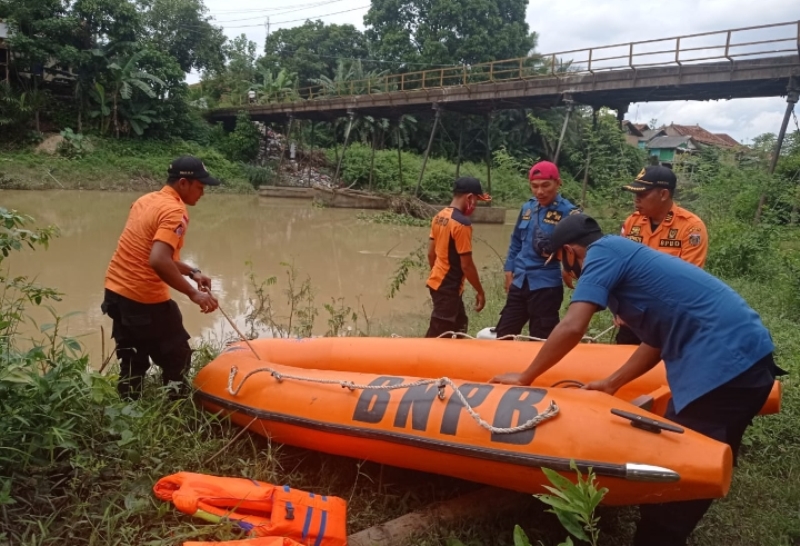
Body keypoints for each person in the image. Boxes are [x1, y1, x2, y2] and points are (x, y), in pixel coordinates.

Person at [490, 213, 786, 546]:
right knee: (704, 465)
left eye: (559, 260)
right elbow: (656, 341)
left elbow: (574, 326)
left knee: (675, 470)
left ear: (571, 252)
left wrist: (526, 376)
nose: (564, 271)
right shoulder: (624, 258)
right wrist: (612, 383)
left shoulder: (602, 253)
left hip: (724, 369)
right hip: (748, 364)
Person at [102, 156, 221, 400]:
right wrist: (194, 293)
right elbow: (158, 261)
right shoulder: (175, 211)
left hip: (116, 292)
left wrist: (192, 272)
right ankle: (176, 405)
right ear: (184, 183)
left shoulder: (145, 201)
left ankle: (127, 413)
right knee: (177, 356)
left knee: (132, 360)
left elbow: (149, 251)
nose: (202, 193)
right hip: (142, 298)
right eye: (200, 187)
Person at [616, 164, 708, 344]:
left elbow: (688, 282)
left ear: (664, 194)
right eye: (635, 195)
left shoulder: (690, 228)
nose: (636, 200)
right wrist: (621, 309)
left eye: (642, 195)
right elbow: (620, 269)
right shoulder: (632, 223)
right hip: (632, 318)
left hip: (669, 320)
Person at [495, 161, 579, 339]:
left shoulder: (569, 214)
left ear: (558, 183)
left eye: (545, 185)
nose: (540, 192)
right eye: (534, 186)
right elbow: (516, 240)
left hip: (546, 286)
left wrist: (568, 268)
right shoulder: (527, 208)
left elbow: (579, 250)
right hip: (520, 281)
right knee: (504, 335)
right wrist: (509, 270)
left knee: (540, 338)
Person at [425, 177, 490, 338]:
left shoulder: (439, 216)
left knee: (460, 324)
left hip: (438, 282)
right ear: (469, 198)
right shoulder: (462, 224)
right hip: (448, 286)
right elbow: (466, 265)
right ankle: (420, 359)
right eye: (476, 200)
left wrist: (437, 274)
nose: (475, 206)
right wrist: (480, 291)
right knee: (439, 332)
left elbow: (431, 254)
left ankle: (454, 358)